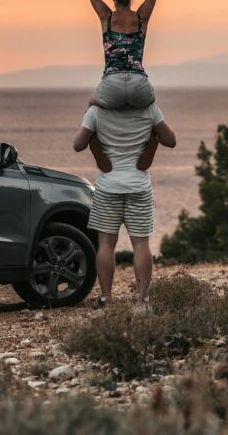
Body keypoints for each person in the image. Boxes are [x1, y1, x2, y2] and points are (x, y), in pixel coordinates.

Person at [53, 0, 187, 109]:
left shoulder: (106, 17)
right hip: (139, 86)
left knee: (91, 105)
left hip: (111, 85)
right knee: (156, 120)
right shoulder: (141, 17)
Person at [73, 103, 176, 310]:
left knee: (106, 244)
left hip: (108, 186)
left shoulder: (96, 111)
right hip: (138, 185)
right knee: (141, 243)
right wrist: (153, 135)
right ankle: (142, 300)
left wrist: (90, 111)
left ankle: (107, 299)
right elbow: (171, 140)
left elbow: (77, 144)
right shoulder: (149, 109)